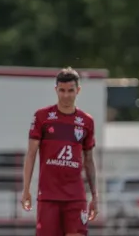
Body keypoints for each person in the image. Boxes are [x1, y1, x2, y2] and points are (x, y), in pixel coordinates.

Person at [21, 67, 98, 236]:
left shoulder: (86, 122)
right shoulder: (42, 117)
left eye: (70, 90)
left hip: (76, 197)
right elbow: (31, 153)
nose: (66, 95)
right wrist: (26, 188)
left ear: (78, 90)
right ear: (56, 90)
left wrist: (94, 195)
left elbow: (89, 160)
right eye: (62, 90)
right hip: (49, 196)